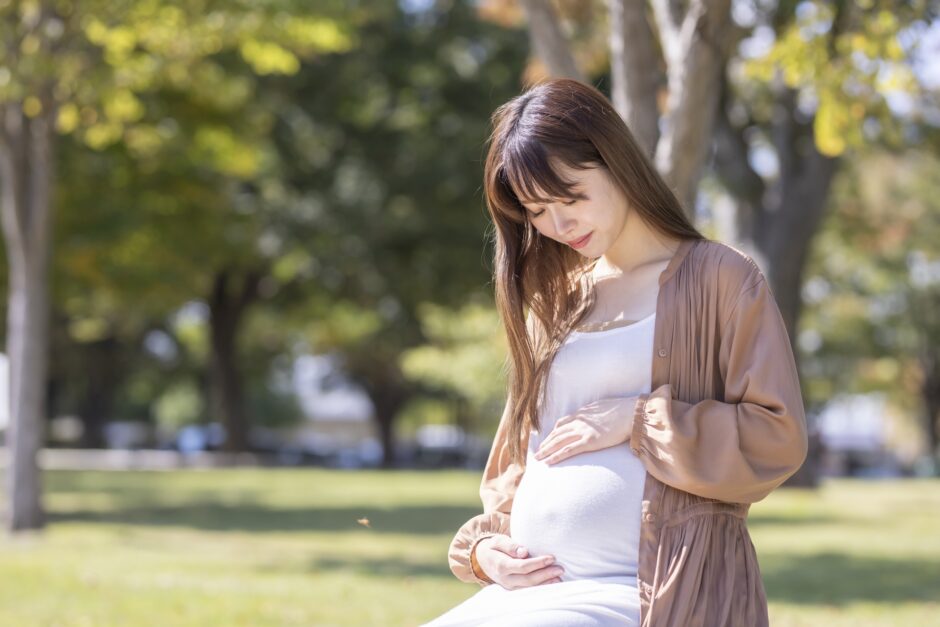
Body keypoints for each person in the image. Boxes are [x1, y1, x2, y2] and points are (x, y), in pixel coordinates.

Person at [421, 78, 808, 627]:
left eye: (571, 196)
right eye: (535, 210)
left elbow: (777, 437)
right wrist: (487, 549)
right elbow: (518, 455)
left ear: (616, 162)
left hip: (650, 592)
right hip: (532, 592)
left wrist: (638, 418)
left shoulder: (720, 278)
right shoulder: (555, 302)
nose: (558, 225)